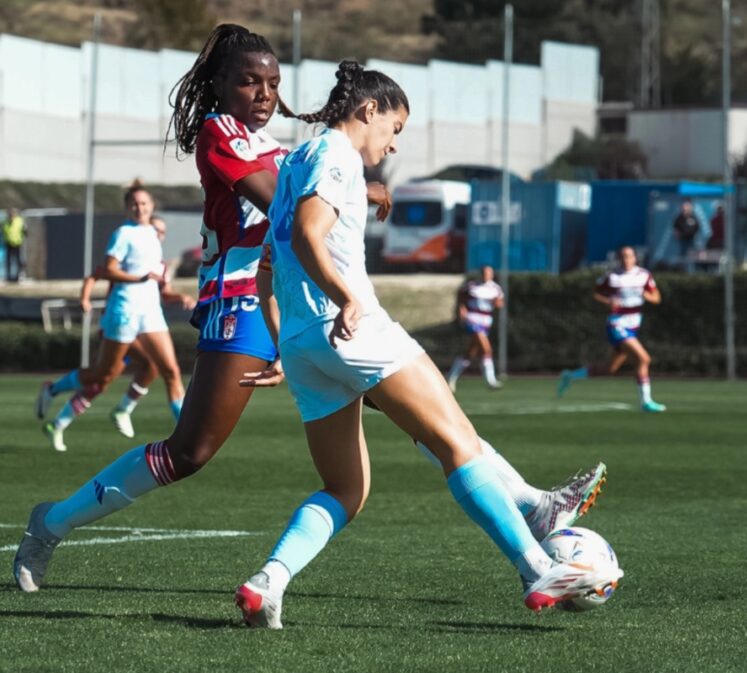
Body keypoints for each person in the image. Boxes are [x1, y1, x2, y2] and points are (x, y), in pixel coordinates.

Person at [12, 26, 604, 596]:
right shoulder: (223, 132)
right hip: (241, 303)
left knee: (413, 413)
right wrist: (354, 190)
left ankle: (531, 504)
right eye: (249, 82)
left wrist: (351, 190)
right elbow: (282, 205)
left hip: (294, 308)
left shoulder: (283, 148)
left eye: (272, 84)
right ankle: (53, 522)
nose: (265, 95)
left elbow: (305, 186)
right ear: (219, 85)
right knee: (189, 452)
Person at [234, 61, 619, 629]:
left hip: (301, 344)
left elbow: (267, 269)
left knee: (345, 488)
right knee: (458, 444)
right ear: (368, 111)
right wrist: (347, 298)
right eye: (395, 127)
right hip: (351, 329)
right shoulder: (335, 155)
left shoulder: (293, 165)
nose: (393, 144)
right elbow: (307, 235)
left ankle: (268, 582)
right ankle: (538, 565)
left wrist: (278, 345)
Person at [35, 181, 186, 452]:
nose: (140, 208)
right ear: (128, 208)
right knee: (102, 375)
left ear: (152, 207)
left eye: (144, 203)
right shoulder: (123, 234)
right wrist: (135, 279)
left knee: (169, 370)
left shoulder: (153, 235)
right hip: (124, 311)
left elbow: (159, 284)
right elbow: (107, 270)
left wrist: (181, 297)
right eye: (135, 204)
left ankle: (185, 435)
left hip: (150, 312)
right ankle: (54, 391)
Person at [557, 245, 665, 413]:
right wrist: (608, 301)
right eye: (622, 256)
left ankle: (570, 376)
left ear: (635, 258)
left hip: (633, 324)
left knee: (610, 369)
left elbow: (657, 297)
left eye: (629, 256)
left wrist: (647, 296)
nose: (626, 260)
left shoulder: (644, 275)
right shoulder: (612, 276)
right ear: (618, 259)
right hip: (617, 324)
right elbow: (596, 293)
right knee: (644, 359)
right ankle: (646, 402)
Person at [447, 264, 504, 391]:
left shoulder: (496, 288)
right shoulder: (472, 286)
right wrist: (461, 309)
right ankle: (491, 381)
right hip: (472, 319)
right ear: (481, 274)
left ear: (492, 275)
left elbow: (500, 303)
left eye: (489, 273)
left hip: (486, 321)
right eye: (484, 273)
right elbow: (461, 297)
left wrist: (496, 302)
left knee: (470, 353)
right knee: (487, 349)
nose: (486, 275)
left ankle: (451, 377)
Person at [672, 199, 699, 272]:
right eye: (684, 208)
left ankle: (692, 271)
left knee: (692, 257)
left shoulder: (693, 217)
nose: (685, 209)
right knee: (682, 256)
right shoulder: (679, 218)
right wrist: (678, 235)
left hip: (691, 240)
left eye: (687, 208)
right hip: (683, 241)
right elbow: (675, 228)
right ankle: (682, 271)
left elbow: (697, 227)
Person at [0, 207, 26, 282]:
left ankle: (18, 276)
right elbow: (2, 231)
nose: (11, 215)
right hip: (8, 243)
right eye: (10, 214)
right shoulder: (4, 222)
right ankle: (8, 276)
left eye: (13, 213)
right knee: (8, 261)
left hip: (17, 243)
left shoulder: (20, 221)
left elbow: (24, 231)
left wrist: (23, 236)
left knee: (18, 261)